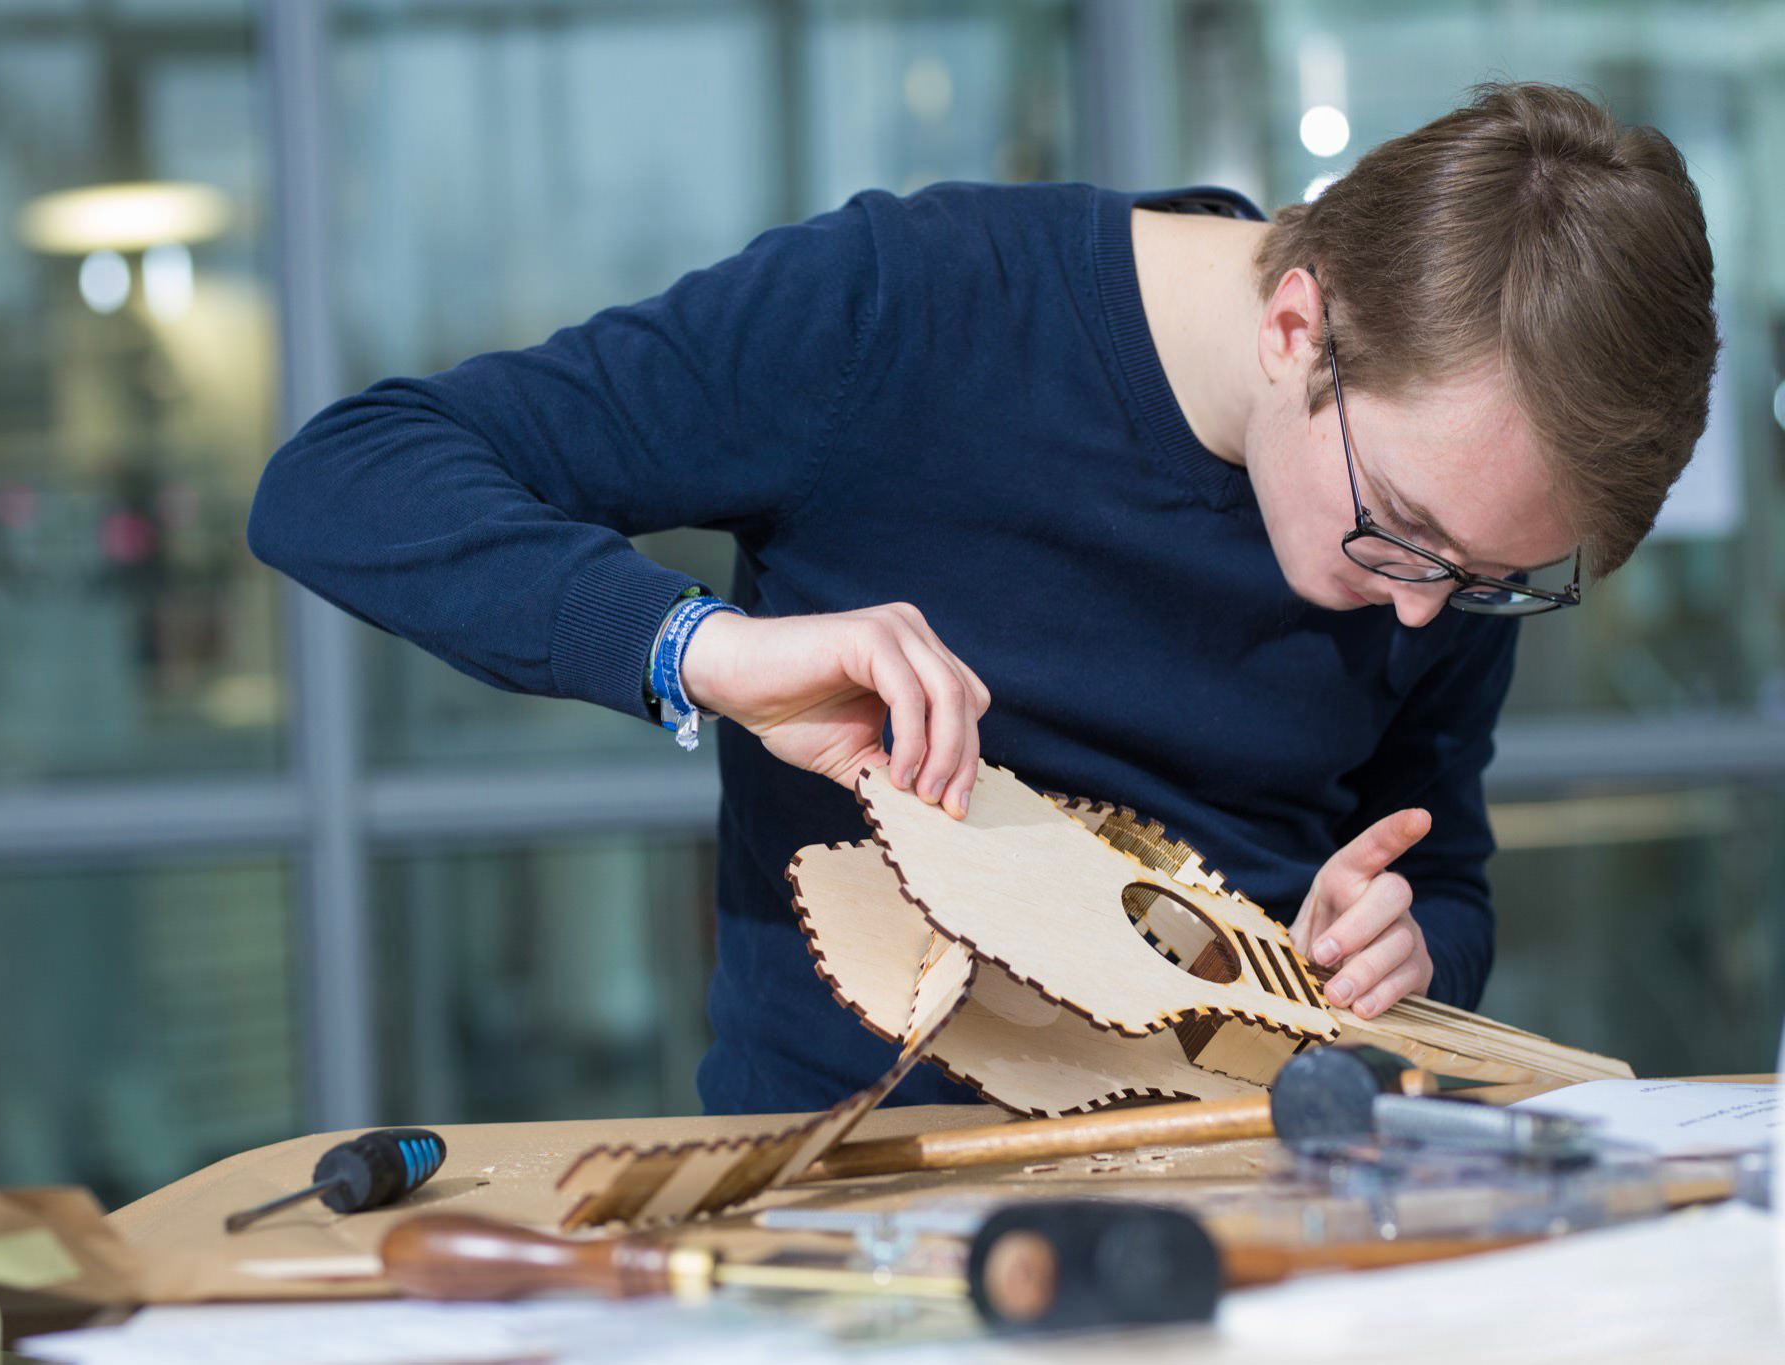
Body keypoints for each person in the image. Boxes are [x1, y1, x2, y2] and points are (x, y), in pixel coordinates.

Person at [248, 83, 1718, 1115]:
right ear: (1298, 328)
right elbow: (345, 477)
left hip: (1253, 1221)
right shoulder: (904, 310)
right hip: (853, 1225)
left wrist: (1401, 944)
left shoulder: (1439, 544)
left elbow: (1438, 870)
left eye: (1486, 582)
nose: (1420, 615)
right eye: (1403, 536)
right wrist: (699, 647)